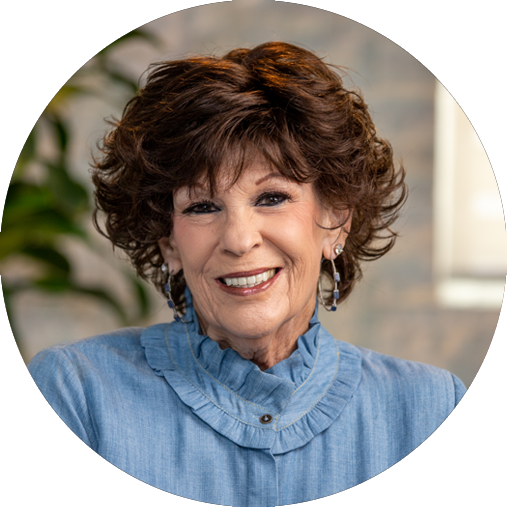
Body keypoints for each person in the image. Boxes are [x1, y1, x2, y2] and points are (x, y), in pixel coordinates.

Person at [0, 41, 504, 506]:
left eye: (272, 197)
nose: (239, 239)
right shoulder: (71, 395)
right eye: (201, 206)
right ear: (168, 241)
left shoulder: (433, 414)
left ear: (335, 221)